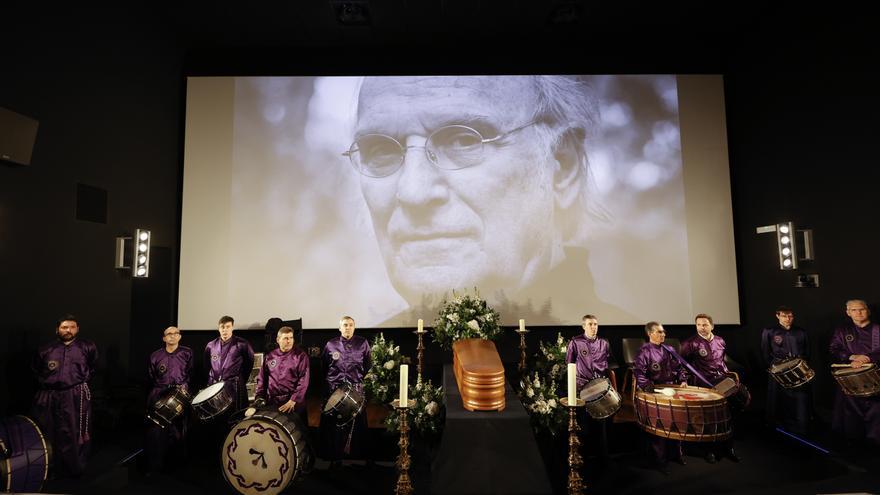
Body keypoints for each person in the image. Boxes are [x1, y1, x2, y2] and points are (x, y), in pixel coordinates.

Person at [347, 76, 635, 322]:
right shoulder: (361, 362)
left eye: (464, 141)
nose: (414, 191)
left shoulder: (617, 358)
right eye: (380, 151)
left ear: (562, 167)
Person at [31, 314, 98, 477]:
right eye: (64, 327)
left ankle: (75, 467)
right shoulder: (46, 349)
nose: (68, 330)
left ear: (78, 329)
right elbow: (36, 369)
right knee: (48, 429)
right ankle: (50, 468)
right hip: (49, 395)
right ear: (57, 330)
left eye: (72, 327)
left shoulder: (87, 347)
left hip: (75, 395)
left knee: (74, 431)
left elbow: (93, 367)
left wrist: (78, 383)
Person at [680, 313, 740, 463]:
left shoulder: (720, 340)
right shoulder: (690, 343)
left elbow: (722, 361)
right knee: (708, 418)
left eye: (705, 324)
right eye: (698, 325)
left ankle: (729, 448)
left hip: (722, 382)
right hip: (703, 384)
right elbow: (680, 364)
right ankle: (709, 451)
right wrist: (683, 380)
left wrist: (728, 376)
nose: (701, 327)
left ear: (712, 326)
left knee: (727, 415)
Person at [633, 321, 688, 473]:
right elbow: (639, 372)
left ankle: (676, 454)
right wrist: (648, 386)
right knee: (660, 426)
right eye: (659, 332)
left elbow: (679, 368)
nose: (663, 334)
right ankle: (660, 460)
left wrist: (683, 380)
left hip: (672, 390)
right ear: (650, 334)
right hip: (655, 392)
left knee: (676, 423)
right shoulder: (643, 351)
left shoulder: (669, 349)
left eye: (663, 331)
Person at [319, 316, 371, 466]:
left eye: (350, 325)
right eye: (345, 325)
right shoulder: (331, 344)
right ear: (340, 328)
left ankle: (356, 456)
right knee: (334, 424)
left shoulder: (362, 343)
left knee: (356, 423)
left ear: (354, 327)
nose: (348, 327)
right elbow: (324, 366)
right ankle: (334, 456)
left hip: (355, 389)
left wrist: (358, 381)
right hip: (334, 390)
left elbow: (368, 365)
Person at [829, 299, 880, 446]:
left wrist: (867, 358)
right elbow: (834, 349)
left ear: (868, 311)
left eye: (862, 309)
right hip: (851, 379)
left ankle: (875, 441)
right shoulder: (842, 331)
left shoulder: (878, 329)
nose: (858, 313)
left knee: (876, 410)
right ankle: (853, 440)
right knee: (850, 411)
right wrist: (851, 357)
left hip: (876, 377)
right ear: (848, 313)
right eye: (854, 310)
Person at [565, 314, 613, 463]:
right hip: (582, 387)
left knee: (601, 423)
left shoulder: (604, 343)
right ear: (583, 326)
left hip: (600, 388)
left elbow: (609, 363)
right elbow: (569, 364)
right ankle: (583, 457)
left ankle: (603, 458)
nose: (593, 327)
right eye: (590, 324)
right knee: (584, 424)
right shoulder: (575, 342)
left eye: (595, 324)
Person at [145, 326, 193, 472]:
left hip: (180, 396)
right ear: (164, 338)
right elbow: (152, 376)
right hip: (160, 394)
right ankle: (156, 464)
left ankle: (178, 465)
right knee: (157, 431)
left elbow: (190, 372)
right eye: (169, 334)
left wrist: (182, 388)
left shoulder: (187, 353)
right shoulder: (155, 355)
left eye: (175, 333)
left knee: (179, 430)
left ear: (180, 336)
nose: (172, 336)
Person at [760, 305, 811, 436]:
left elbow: (807, 351)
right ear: (777, 316)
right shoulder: (769, 331)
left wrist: (801, 363)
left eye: (790, 316)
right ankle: (777, 424)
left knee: (800, 397)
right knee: (778, 397)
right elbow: (765, 352)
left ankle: (800, 425)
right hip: (778, 369)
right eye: (784, 316)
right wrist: (773, 367)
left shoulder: (801, 331)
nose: (788, 318)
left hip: (798, 368)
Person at [254, 326, 310, 417]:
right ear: (278, 340)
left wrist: (294, 400)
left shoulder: (300, 356)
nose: (289, 341)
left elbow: (304, 380)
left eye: (291, 338)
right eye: (286, 338)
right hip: (272, 402)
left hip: (292, 402)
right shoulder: (270, 356)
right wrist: (259, 396)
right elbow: (262, 378)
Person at [204, 315, 255, 414]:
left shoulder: (242, 344)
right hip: (215, 386)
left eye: (228, 327)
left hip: (235, 385)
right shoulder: (211, 345)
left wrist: (240, 379)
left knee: (236, 414)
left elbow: (249, 363)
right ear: (219, 328)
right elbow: (206, 365)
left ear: (232, 327)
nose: (225, 330)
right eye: (222, 327)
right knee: (217, 414)